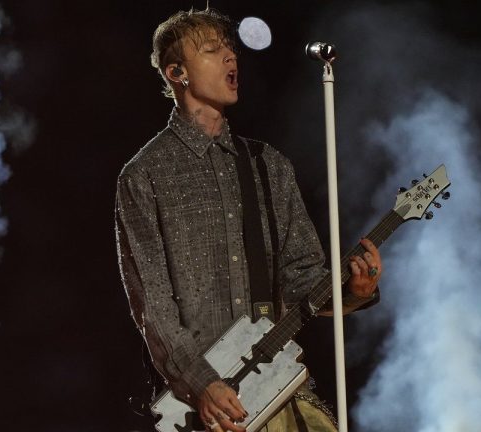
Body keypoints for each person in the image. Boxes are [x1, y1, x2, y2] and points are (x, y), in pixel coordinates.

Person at [115, 8, 381, 432]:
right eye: (212, 50)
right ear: (176, 72)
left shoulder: (268, 165)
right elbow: (154, 306)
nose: (230, 58)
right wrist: (202, 383)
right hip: (207, 410)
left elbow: (302, 282)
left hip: (279, 388)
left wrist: (352, 291)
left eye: (230, 50)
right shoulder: (144, 175)